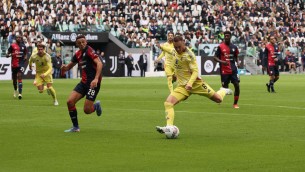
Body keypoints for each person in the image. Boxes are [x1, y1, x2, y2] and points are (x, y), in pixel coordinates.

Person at [156, 35, 232, 135]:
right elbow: (169, 50)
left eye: (179, 46)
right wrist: (161, 47)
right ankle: (169, 127)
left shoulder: (189, 55)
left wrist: (190, 83)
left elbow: (195, 71)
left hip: (196, 84)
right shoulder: (174, 51)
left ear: (183, 42)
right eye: (176, 47)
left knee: (218, 99)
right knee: (168, 103)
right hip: (183, 87)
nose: (178, 49)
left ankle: (224, 90)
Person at [61, 35, 103, 133]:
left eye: (83, 42)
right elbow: (68, 67)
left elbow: (99, 63)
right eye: (79, 43)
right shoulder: (78, 54)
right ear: (76, 44)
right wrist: (64, 67)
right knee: (70, 102)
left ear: (86, 42)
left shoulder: (89, 51)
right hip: (83, 83)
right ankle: (76, 127)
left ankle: (96, 106)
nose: (82, 44)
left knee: (87, 110)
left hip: (93, 84)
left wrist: (96, 79)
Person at [213, 31, 240, 109]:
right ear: (224, 37)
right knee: (225, 88)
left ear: (230, 36)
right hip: (224, 70)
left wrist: (237, 62)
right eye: (225, 36)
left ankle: (235, 104)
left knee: (237, 85)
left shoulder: (234, 47)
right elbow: (215, 57)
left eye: (228, 36)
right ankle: (219, 98)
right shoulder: (220, 46)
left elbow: (236, 56)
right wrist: (222, 62)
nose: (226, 37)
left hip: (233, 70)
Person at [6, 34, 27, 99]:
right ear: (15, 38)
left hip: (20, 64)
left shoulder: (23, 46)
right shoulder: (12, 46)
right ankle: (15, 90)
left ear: (21, 38)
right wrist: (11, 54)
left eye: (19, 37)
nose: (18, 38)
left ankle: (20, 94)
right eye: (17, 37)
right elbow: (7, 55)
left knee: (20, 76)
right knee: (14, 80)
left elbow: (25, 54)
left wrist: (25, 57)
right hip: (14, 65)